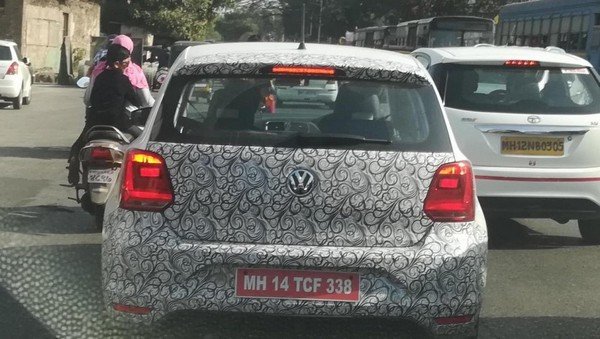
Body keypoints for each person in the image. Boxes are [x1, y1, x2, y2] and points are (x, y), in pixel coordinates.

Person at [67, 44, 141, 184]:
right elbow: (136, 101)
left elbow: (92, 100)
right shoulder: (123, 80)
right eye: (126, 63)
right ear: (117, 64)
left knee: (77, 146)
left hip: (94, 122)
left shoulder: (100, 77)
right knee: (142, 140)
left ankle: (75, 160)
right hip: (117, 122)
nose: (127, 66)